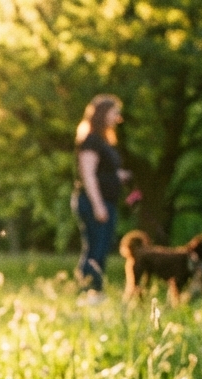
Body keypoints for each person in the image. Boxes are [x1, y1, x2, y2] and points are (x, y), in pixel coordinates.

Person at [72, 94, 131, 303]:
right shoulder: (91, 141)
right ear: (103, 114)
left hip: (106, 201)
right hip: (94, 202)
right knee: (95, 248)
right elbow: (88, 175)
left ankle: (94, 291)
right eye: (115, 113)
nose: (118, 118)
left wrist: (117, 176)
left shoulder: (103, 141)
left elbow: (101, 172)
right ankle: (88, 292)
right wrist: (98, 205)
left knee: (101, 246)